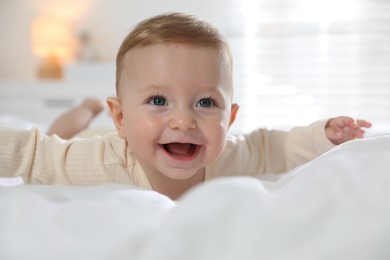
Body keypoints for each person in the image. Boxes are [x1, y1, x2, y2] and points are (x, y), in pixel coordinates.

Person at [0, 13, 371, 200]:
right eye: (158, 100)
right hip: (90, 137)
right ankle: (87, 106)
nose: (183, 120)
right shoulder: (100, 162)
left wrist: (322, 136)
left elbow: (273, 147)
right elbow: (34, 154)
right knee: (61, 133)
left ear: (231, 119)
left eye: (206, 103)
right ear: (122, 117)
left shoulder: (227, 156)